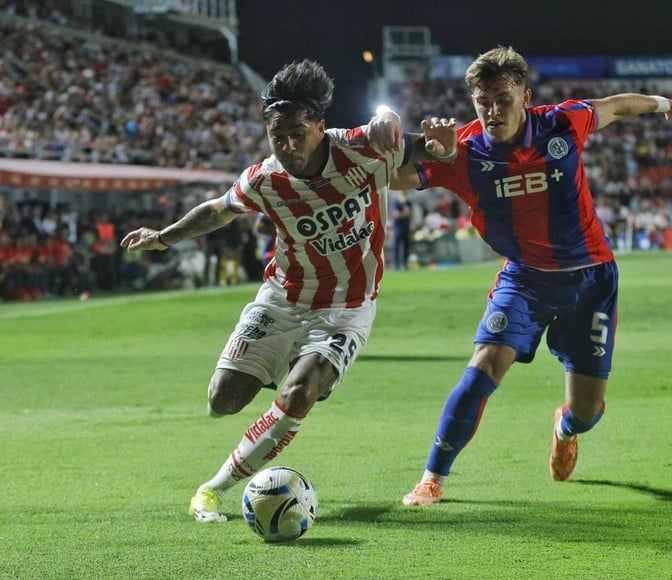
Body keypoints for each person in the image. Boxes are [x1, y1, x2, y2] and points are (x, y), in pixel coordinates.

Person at [120, 60, 457, 522]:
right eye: (278, 135)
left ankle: (213, 488)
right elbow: (218, 210)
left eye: (299, 131)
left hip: (346, 307)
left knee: (300, 391)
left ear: (321, 126)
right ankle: (304, 376)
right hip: (283, 299)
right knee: (222, 401)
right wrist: (162, 237)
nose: (289, 143)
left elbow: (429, 150)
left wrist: (439, 145)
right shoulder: (265, 179)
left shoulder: (362, 149)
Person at [390, 46, 672, 506]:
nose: (493, 110)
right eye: (483, 100)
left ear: (525, 96)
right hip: (526, 279)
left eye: (502, 98)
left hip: (591, 279)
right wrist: (417, 146)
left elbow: (617, 106)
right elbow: (393, 179)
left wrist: (664, 105)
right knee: (483, 368)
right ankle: (432, 478)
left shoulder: (562, 122)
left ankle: (565, 427)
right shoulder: (461, 152)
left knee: (587, 411)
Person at [390, 189, 413, 270]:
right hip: (398, 228)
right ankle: (396, 265)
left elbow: (410, 213)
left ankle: (405, 264)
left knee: (406, 247)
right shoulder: (395, 202)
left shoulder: (408, 202)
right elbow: (396, 214)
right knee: (396, 247)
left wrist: (404, 211)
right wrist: (404, 214)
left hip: (406, 227)